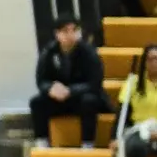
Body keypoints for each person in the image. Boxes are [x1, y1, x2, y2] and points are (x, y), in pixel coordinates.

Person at [31, 15, 106, 149]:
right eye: (66, 31)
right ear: (57, 34)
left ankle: (87, 144)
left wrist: (70, 91)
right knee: (37, 102)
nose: (71, 35)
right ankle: (42, 143)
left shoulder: (89, 52)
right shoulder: (49, 52)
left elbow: (95, 82)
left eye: (74, 30)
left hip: (80, 98)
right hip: (58, 99)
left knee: (89, 101)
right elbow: (41, 81)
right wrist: (51, 88)